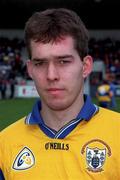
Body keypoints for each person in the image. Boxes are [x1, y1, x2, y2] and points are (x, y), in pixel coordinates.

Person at [0, 8, 120, 179]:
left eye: (63, 61)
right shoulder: (4, 144)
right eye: (40, 63)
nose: (51, 75)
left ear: (85, 66)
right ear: (30, 69)